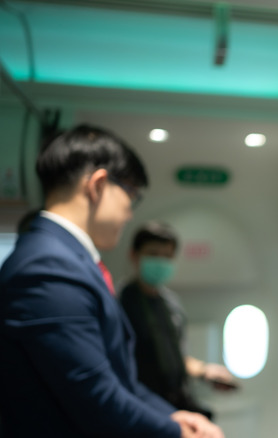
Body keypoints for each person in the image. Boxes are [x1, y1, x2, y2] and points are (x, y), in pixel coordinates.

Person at [0, 124, 223, 438]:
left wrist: (174, 416)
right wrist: (178, 433)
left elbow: (121, 380)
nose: (130, 213)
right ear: (98, 185)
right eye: (131, 196)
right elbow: (96, 398)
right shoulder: (48, 268)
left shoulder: (69, 261)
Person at [120, 221, 238, 420]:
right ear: (134, 255)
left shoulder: (171, 304)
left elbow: (173, 356)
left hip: (177, 399)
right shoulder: (122, 304)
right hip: (145, 406)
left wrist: (204, 371)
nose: (160, 262)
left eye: (166, 256)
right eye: (153, 254)